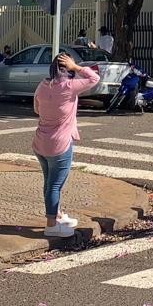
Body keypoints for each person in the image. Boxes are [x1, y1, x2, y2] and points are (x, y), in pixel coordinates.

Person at [32, 53, 100, 238]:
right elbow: (94, 78)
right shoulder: (70, 87)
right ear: (68, 69)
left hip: (40, 142)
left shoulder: (43, 85)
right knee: (55, 185)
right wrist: (77, 67)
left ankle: (58, 215)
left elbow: (36, 108)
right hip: (60, 143)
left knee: (49, 182)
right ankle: (51, 224)